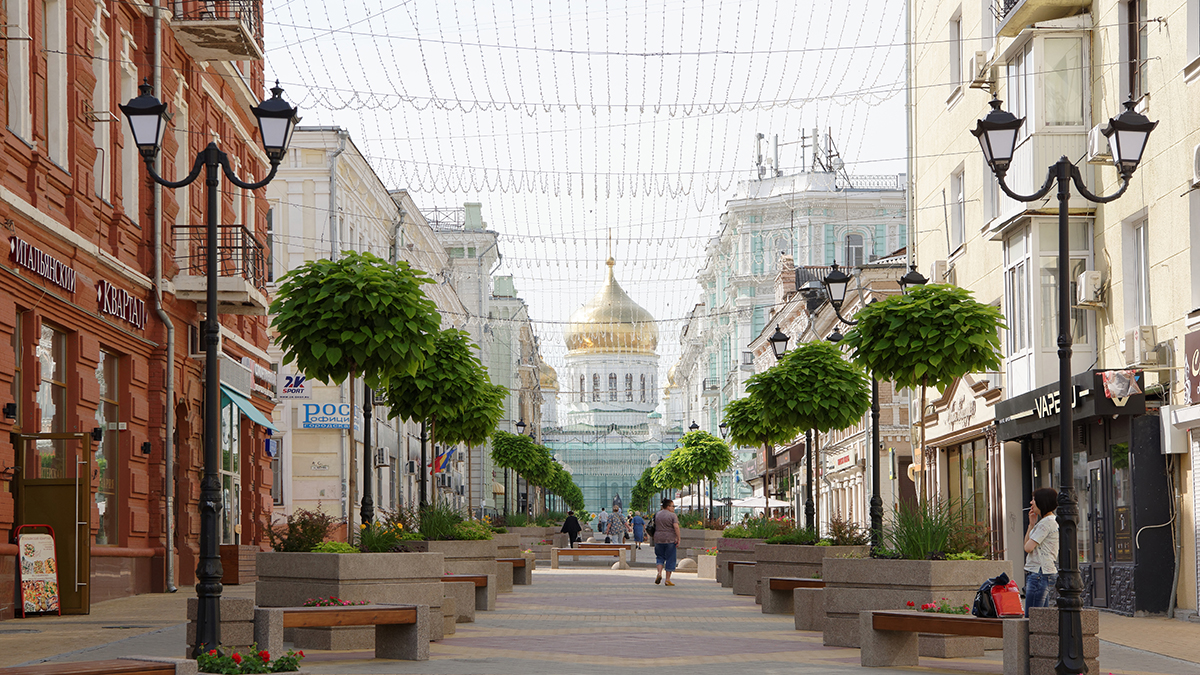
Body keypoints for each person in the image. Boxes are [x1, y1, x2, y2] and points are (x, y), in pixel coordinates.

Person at [1023, 487, 1059, 616]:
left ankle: (1033, 637)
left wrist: (1034, 526)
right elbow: (1026, 545)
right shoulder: (1047, 522)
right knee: (1041, 619)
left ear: (1042, 502)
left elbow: (1028, 548)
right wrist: (1031, 525)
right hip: (1042, 572)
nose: (1031, 503)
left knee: (1033, 618)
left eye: (1034, 499)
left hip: (1039, 573)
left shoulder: (1046, 523)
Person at [653, 498, 681, 586]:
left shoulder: (657, 514)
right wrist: (678, 538)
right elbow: (676, 527)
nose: (673, 508)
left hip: (658, 539)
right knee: (670, 558)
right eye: (673, 506)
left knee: (660, 557)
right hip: (670, 539)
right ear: (668, 506)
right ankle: (667, 579)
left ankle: (659, 573)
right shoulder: (672, 515)